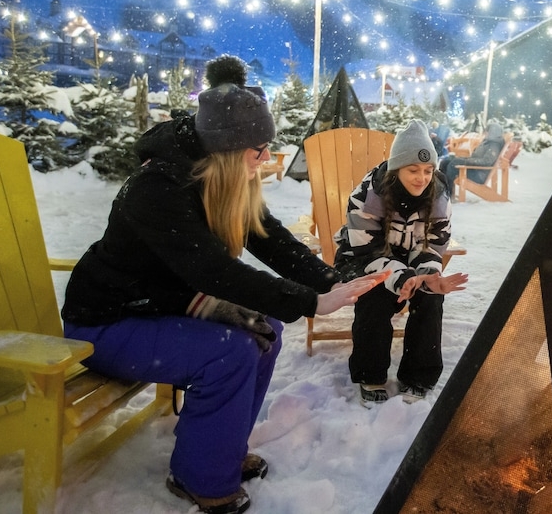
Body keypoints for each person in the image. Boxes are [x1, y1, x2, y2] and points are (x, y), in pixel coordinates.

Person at [61, 55, 386, 514]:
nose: (266, 158)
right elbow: (213, 271)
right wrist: (311, 302)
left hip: (161, 306)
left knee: (265, 330)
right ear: (229, 150)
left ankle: (218, 447)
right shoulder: (157, 190)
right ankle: (201, 477)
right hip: (107, 322)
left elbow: (269, 237)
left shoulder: (219, 174)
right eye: (259, 150)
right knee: (229, 352)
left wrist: (334, 281)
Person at [333, 119, 469, 406]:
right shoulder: (367, 195)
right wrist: (402, 277)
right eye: (413, 170)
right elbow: (368, 251)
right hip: (363, 257)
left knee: (430, 295)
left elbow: (433, 243)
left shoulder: (439, 195)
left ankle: (419, 376)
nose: (422, 178)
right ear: (397, 168)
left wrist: (427, 274)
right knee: (375, 293)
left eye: (428, 170)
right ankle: (370, 374)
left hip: (411, 256)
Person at [439, 120, 506, 190]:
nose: (485, 133)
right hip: (474, 169)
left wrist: (467, 161)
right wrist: (464, 160)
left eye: (487, 131)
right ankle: (440, 187)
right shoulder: (487, 142)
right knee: (446, 162)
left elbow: (486, 162)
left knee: (453, 164)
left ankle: (447, 190)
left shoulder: (494, 146)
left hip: (479, 174)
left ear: (493, 132)